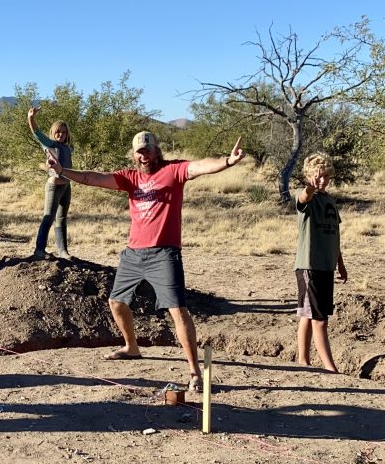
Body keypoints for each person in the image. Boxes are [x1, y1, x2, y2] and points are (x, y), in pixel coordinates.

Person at [47, 130, 243, 392]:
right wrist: (62, 170)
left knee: (177, 311)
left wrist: (226, 162)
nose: (144, 155)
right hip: (134, 253)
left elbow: (199, 167)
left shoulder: (173, 171)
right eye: (139, 151)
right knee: (116, 302)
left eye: (148, 149)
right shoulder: (130, 178)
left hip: (164, 253)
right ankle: (131, 347)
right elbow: (91, 178)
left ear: (157, 150)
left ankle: (195, 372)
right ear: (134, 154)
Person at [294, 152, 348, 372]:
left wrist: (340, 263)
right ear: (309, 176)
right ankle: (330, 367)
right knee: (319, 319)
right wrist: (310, 187)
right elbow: (303, 199)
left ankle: (303, 360)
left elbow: (334, 234)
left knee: (309, 314)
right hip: (310, 265)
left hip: (326, 266)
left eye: (326, 176)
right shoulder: (307, 197)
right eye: (318, 176)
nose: (322, 180)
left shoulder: (330, 201)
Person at [27, 105, 74, 260]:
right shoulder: (49, 144)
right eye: (58, 131)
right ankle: (39, 250)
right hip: (54, 186)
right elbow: (36, 132)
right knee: (48, 217)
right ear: (53, 133)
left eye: (64, 132)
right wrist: (31, 118)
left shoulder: (68, 147)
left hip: (66, 186)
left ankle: (63, 251)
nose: (61, 134)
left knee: (61, 219)